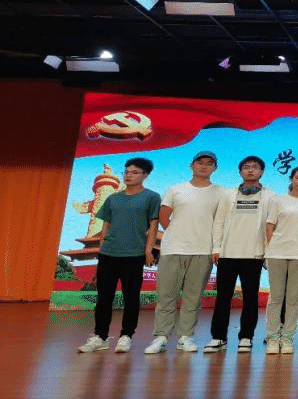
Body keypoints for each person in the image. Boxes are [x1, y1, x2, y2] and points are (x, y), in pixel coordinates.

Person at [145, 151, 225, 354]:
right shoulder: (176, 189)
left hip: (203, 250)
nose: (204, 166)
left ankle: (185, 337)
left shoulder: (220, 192)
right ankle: (161, 337)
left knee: (193, 297)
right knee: (166, 295)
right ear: (192, 165)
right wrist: (177, 233)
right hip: (173, 249)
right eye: (200, 162)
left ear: (215, 168)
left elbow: (221, 221)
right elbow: (164, 216)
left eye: (209, 163)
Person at [78, 157, 160, 353]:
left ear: (145, 175)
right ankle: (100, 336)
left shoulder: (151, 197)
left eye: (134, 172)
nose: (129, 176)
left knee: (131, 296)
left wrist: (149, 250)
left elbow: (153, 225)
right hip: (109, 253)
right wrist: (102, 245)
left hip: (134, 254)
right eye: (127, 172)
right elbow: (106, 223)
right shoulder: (113, 198)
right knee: (104, 297)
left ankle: (126, 336)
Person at [205, 156, 275, 353]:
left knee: (250, 298)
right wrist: (216, 248)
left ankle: (246, 337)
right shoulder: (228, 195)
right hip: (227, 254)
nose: (250, 170)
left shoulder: (270, 196)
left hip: (254, 255)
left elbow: (271, 227)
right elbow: (219, 222)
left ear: (262, 172)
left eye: (255, 167)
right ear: (240, 172)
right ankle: (218, 337)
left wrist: (267, 253)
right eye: (246, 167)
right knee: (223, 297)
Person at [263, 165, 298, 354]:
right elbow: (269, 226)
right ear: (291, 178)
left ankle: (287, 338)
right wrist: (272, 248)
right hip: (277, 254)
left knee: (293, 298)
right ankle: (272, 337)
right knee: (276, 297)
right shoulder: (278, 200)